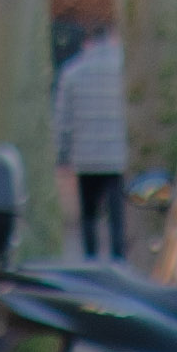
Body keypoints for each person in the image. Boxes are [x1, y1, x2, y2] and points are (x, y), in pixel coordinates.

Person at [53, 19, 129, 257]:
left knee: (88, 216)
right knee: (118, 217)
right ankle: (119, 261)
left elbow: (63, 120)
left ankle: (91, 260)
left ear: (87, 43)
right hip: (117, 157)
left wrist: (62, 153)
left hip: (86, 158)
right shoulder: (124, 71)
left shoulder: (72, 72)